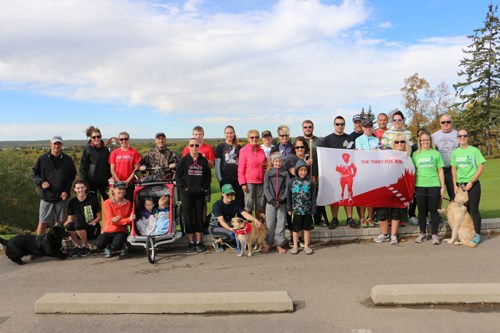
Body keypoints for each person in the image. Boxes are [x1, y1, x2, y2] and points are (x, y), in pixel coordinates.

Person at [32, 135, 76, 236]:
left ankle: (57, 246)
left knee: (59, 223)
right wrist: (41, 182)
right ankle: (39, 246)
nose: (57, 145)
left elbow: (71, 177)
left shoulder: (68, 160)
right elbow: (34, 174)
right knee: (43, 222)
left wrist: (66, 191)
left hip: (61, 196)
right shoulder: (42, 159)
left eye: (59, 143)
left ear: (62, 145)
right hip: (46, 196)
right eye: (55, 143)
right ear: (50, 144)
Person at [373, 133, 412, 245]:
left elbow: (410, 175)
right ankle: (384, 234)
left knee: (396, 212)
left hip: (399, 188)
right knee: (381, 212)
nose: (399, 144)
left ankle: (393, 235)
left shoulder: (407, 156)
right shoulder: (387, 154)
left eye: (402, 141)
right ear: (393, 143)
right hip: (384, 187)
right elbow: (376, 158)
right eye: (397, 142)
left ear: (406, 143)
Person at [320, 116, 357, 229]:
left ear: (344, 125)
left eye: (342, 124)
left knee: (349, 194)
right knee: (336, 196)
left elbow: (355, 155)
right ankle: (334, 218)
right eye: (337, 124)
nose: (340, 126)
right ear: (334, 125)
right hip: (333, 173)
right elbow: (323, 156)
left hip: (348, 175)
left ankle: (349, 218)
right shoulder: (327, 139)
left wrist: (352, 172)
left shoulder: (350, 138)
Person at [176, 138, 212, 253]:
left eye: (196, 145)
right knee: (188, 218)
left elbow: (207, 176)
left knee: (199, 218)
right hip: (187, 195)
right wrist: (184, 188)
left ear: (199, 147)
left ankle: (199, 242)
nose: (194, 147)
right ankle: (191, 243)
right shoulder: (184, 160)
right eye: (192, 145)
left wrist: (204, 188)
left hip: (199, 194)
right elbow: (178, 176)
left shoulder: (203, 160)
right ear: (188, 146)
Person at [451, 129, 485, 245]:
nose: (462, 138)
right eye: (460, 136)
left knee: (473, 209)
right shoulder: (455, 152)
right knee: (463, 210)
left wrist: (471, 181)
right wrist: (455, 185)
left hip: (473, 184)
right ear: (457, 138)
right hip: (460, 186)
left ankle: (477, 235)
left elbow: (480, 167)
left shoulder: (474, 151)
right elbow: (454, 169)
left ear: (468, 137)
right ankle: (467, 233)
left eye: (464, 135)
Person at [412, 131, 445, 245]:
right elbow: (413, 171)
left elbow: (440, 171)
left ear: (430, 141)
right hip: (420, 185)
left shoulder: (435, 153)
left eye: (427, 140)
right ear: (420, 142)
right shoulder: (415, 154)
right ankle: (422, 233)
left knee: (434, 212)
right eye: (423, 140)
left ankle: (435, 234)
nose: (425, 142)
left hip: (434, 185)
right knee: (421, 212)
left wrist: (442, 187)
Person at [209, 184, 260, 252]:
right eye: (228, 194)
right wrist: (231, 229)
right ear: (222, 194)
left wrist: (255, 219)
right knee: (232, 233)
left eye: (232, 194)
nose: (230, 196)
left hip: (227, 225)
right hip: (215, 227)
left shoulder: (235, 203)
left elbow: (244, 214)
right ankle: (217, 242)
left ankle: (227, 240)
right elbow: (221, 221)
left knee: (238, 231)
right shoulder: (217, 205)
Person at [96, 181, 135, 258]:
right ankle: (108, 246)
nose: (122, 191)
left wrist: (124, 220)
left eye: (123, 189)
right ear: (113, 189)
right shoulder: (107, 202)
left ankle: (122, 246)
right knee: (99, 245)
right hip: (108, 230)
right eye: (119, 189)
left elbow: (128, 217)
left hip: (121, 230)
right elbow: (112, 220)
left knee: (117, 245)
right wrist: (127, 220)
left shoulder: (128, 203)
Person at [64, 179, 101, 257]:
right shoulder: (72, 202)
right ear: (74, 189)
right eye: (78, 188)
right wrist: (61, 227)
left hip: (92, 228)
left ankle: (86, 247)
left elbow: (99, 217)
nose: (80, 190)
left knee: (78, 225)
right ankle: (78, 246)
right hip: (80, 229)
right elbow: (70, 220)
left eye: (82, 187)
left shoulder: (93, 200)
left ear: (86, 188)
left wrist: (92, 223)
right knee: (70, 225)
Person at [301, 120, 327, 227]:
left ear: (313, 128)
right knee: (305, 198)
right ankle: (306, 221)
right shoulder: (300, 141)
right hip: (303, 175)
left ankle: (318, 219)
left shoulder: (319, 141)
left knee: (318, 197)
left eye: (310, 127)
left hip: (317, 173)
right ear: (303, 128)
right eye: (305, 127)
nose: (308, 129)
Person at [287, 160, 316, 255]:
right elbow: (289, 196)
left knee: (307, 229)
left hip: (307, 211)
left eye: (305, 170)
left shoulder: (310, 183)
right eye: (300, 170)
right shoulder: (291, 182)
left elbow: (313, 197)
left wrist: (313, 209)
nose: (303, 172)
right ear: (296, 171)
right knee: (296, 229)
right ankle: (295, 246)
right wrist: (289, 208)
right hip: (296, 211)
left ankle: (306, 245)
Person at [355, 118, 379, 227]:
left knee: (372, 196)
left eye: (370, 126)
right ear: (362, 128)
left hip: (373, 172)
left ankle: (370, 217)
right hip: (362, 172)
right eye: (366, 127)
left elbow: (378, 154)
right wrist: (370, 153)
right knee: (363, 196)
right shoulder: (358, 140)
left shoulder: (376, 140)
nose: (368, 128)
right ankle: (362, 218)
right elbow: (361, 154)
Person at [264, 153, 289, 254]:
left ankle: (279, 244)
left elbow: (287, 188)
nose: (278, 163)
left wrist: (282, 199)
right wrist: (271, 200)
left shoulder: (285, 173)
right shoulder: (268, 173)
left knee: (281, 223)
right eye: (276, 161)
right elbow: (265, 188)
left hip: (282, 203)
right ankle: (269, 243)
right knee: (270, 224)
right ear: (272, 162)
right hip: (270, 203)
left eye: (279, 161)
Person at [238, 129, 267, 218]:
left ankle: (259, 228)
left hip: (261, 182)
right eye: (252, 137)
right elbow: (241, 168)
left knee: (260, 206)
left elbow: (265, 165)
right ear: (248, 139)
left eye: (257, 137)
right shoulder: (243, 150)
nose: (254, 139)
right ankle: (250, 228)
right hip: (249, 182)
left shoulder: (261, 150)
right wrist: (243, 183)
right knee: (249, 206)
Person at [215, 125, 243, 209]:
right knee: (225, 201)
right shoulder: (220, 147)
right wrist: (220, 178)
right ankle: (224, 220)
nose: (229, 135)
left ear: (234, 133)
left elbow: (241, 163)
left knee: (240, 200)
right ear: (224, 134)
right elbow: (217, 164)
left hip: (237, 178)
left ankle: (240, 220)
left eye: (231, 133)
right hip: (225, 178)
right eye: (227, 133)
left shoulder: (239, 147)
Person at [431, 115, 459, 201]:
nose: (446, 124)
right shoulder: (434, 136)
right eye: (443, 122)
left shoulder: (458, 135)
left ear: (452, 122)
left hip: (453, 168)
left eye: (448, 122)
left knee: (454, 194)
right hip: (439, 169)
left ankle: (455, 213)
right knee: (438, 195)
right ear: (440, 123)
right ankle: (437, 213)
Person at [80, 126, 110, 200]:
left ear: (101, 136)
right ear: (91, 138)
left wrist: (109, 177)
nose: (96, 138)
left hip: (104, 182)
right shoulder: (87, 150)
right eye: (94, 137)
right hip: (91, 182)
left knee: (108, 201)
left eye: (98, 136)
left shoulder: (105, 150)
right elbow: (83, 167)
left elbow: (109, 165)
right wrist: (85, 183)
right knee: (92, 203)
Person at [108, 131, 141, 202]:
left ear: (129, 140)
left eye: (125, 139)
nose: (123, 141)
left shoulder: (134, 152)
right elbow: (112, 169)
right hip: (117, 184)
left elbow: (136, 169)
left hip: (130, 184)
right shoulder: (114, 153)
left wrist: (127, 181)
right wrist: (119, 181)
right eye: (121, 139)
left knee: (129, 203)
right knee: (117, 203)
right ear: (118, 140)